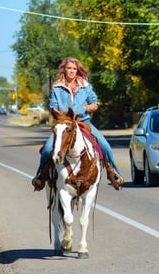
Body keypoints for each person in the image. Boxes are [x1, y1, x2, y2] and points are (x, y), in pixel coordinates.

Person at [32, 57, 125, 191]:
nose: (71, 71)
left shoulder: (85, 86)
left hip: (83, 121)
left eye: (74, 69)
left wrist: (83, 109)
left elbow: (94, 104)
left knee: (104, 145)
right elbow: (53, 107)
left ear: (78, 71)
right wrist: (63, 115)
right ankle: (41, 175)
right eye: (69, 68)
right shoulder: (57, 87)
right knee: (47, 149)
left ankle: (113, 172)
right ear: (64, 69)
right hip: (64, 123)